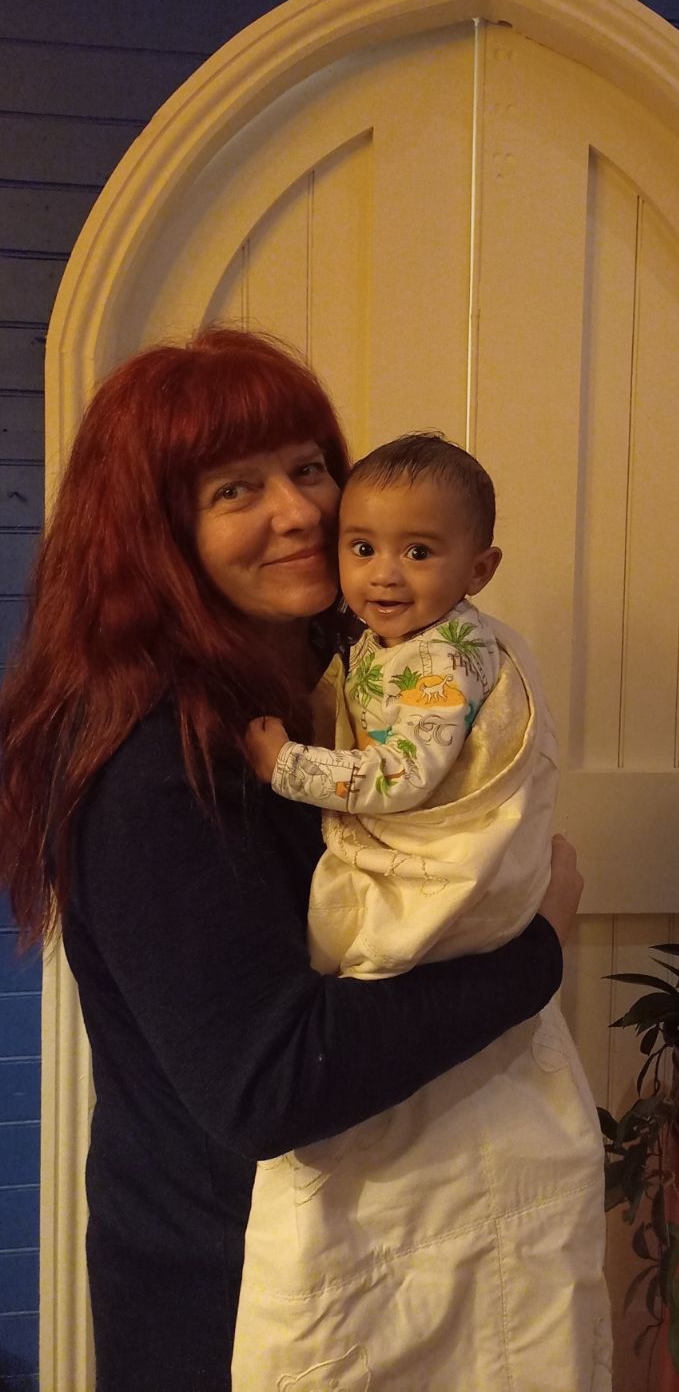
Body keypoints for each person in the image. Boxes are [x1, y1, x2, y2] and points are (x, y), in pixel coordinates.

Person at [0, 326, 587, 1392]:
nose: (304, 510)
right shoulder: (152, 759)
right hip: (227, 1295)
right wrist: (538, 944)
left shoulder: (352, 671)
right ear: (155, 536)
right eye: (237, 489)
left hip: (371, 1254)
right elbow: (268, 1082)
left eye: (309, 466)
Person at [232, 434, 611, 1390]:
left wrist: (285, 765)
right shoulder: (385, 645)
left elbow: (401, 777)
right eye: (363, 548)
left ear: (478, 567)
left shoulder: (439, 662)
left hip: (457, 919)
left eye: (417, 551)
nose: (383, 574)